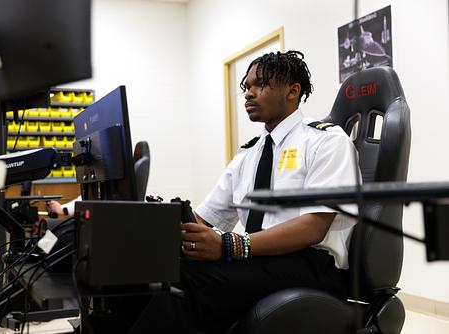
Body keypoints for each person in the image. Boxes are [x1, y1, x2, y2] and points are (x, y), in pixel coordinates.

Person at [127, 50, 359, 333]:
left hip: (314, 266)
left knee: (188, 278)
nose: (248, 94)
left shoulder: (326, 141)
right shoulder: (248, 154)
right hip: (261, 260)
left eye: (259, 85)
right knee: (156, 270)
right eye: (246, 87)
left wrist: (231, 245)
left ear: (292, 91)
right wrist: (162, 237)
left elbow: (313, 227)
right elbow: (204, 217)